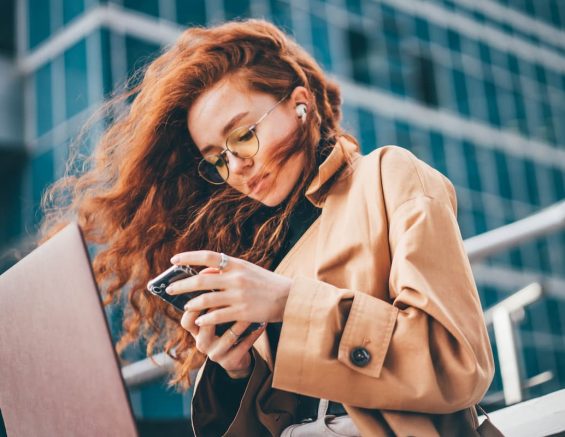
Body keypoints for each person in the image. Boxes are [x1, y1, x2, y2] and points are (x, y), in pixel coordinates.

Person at [39, 19, 495, 436]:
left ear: (300, 103)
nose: (236, 166)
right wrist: (236, 372)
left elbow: (456, 365)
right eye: (217, 158)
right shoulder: (252, 251)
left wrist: (287, 303)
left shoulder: (387, 176)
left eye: (242, 135)